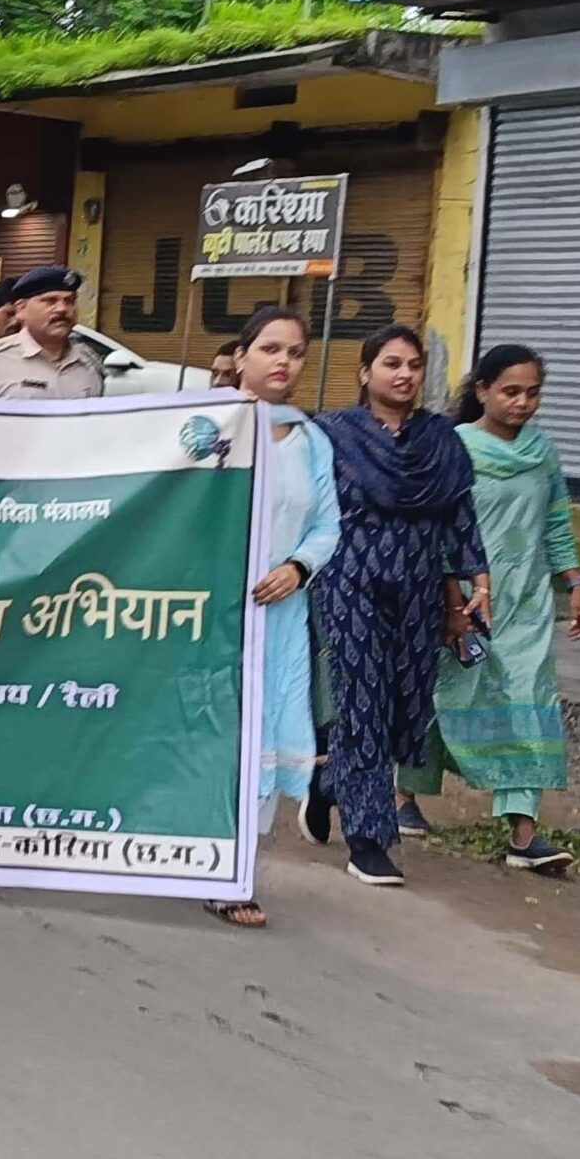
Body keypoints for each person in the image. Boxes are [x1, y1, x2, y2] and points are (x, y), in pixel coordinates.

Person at [309, 324, 491, 888]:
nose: (405, 374)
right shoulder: (333, 434)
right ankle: (368, 840)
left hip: (417, 587)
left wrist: (474, 581)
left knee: (403, 708)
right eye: (392, 363)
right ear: (366, 373)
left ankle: (329, 782)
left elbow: (458, 514)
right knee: (363, 699)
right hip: (350, 581)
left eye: (413, 365)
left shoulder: (440, 440)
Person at [396, 345, 580, 873]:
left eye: (533, 393)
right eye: (510, 392)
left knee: (530, 701)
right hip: (462, 599)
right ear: (482, 390)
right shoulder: (454, 447)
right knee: (447, 693)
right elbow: (437, 527)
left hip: (527, 603)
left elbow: (556, 520)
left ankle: (523, 834)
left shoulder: (542, 452)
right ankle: (404, 794)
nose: (523, 403)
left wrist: (573, 580)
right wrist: (449, 600)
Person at [203, 307, 340, 929]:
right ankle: (193, 859)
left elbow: (328, 524)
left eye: (296, 352)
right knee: (214, 733)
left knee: (265, 732)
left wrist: (298, 567)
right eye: (270, 348)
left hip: (280, 614)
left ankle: (237, 873)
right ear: (242, 356)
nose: (284, 361)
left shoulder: (311, 440)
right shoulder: (209, 427)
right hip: (212, 613)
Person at [0, 266, 103, 401]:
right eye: (50, 301)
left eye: (69, 301)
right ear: (21, 309)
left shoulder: (89, 364)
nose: (62, 309)